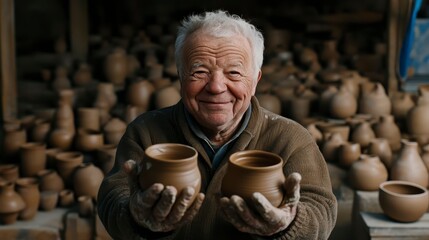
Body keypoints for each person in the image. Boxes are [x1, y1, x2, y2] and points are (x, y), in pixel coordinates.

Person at [97, 10, 337, 240]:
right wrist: (135, 218)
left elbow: (322, 212)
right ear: (181, 77)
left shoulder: (290, 138)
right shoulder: (145, 132)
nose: (216, 87)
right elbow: (112, 199)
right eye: (199, 72)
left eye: (233, 72)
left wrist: (288, 225)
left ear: (255, 81)